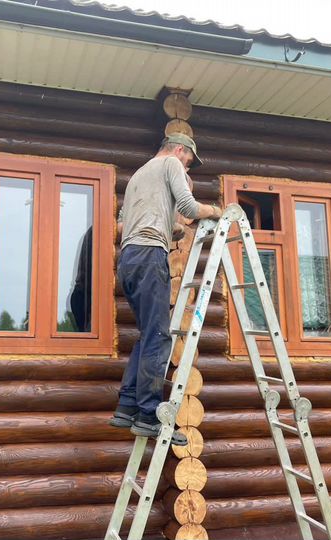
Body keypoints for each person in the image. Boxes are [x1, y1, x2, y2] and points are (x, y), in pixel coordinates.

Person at [110, 133, 222, 445]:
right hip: (148, 256)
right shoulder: (171, 162)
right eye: (189, 160)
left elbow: (133, 220)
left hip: (129, 259)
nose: (188, 168)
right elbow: (188, 205)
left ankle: (126, 406)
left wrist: (173, 225)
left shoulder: (139, 175)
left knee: (148, 334)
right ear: (179, 149)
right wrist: (215, 211)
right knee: (159, 337)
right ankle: (148, 415)